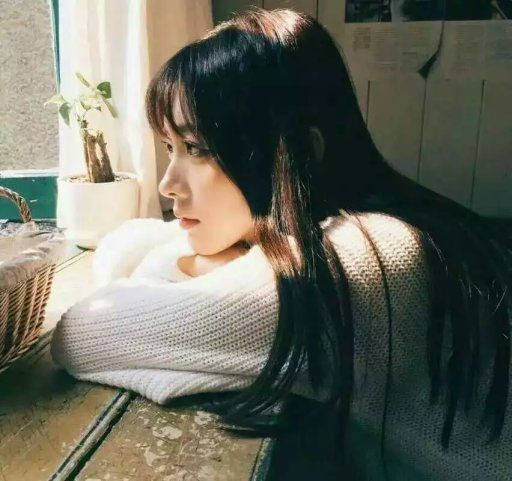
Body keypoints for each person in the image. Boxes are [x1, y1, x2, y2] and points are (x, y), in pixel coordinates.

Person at [50, 6, 512, 480]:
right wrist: (212, 262)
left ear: (299, 156)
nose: (168, 184)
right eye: (171, 148)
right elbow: (125, 242)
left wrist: (201, 266)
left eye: (197, 148)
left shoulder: (364, 258)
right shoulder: (362, 225)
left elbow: (82, 333)